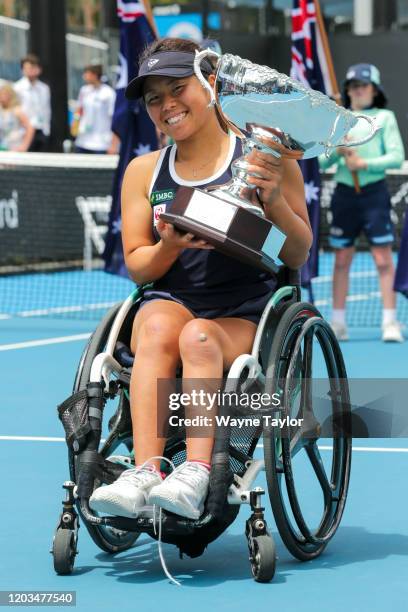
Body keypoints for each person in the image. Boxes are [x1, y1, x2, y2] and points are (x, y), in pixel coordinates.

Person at [89, 38, 312, 521]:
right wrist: (169, 245)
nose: (167, 105)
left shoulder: (267, 157)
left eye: (177, 88)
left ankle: (195, 472)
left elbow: (297, 251)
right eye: (154, 98)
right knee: (153, 326)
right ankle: (144, 470)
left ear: (210, 84)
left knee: (198, 337)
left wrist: (272, 204)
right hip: (174, 297)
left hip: (247, 311)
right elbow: (138, 266)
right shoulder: (143, 172)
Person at [319, 63, 405, 342]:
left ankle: (390, 322)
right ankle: (339, 323)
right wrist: (336, 150)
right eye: (353, 86)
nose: (358, 90)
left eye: (364, 85)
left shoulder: (385, 117)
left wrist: (365, 164)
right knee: (342, 259)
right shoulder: (338, 119)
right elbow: (321, 161)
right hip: (344, 195)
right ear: (347, 90)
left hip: (375, 195)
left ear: (374, 89)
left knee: (383, 258)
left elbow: (395, 156)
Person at [73, 64, 116, 154]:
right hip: (83, 140)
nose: (84, 76)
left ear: (95, 75)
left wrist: (113, 144)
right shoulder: (84, 90)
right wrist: (75, 123)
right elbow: (79, 109)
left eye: (87, 73)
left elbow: (113, 117)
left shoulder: (109, 93)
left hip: (101, 142)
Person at [14, 54, 51, 152]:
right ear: (22, 70)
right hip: (24, 132)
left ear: (39, 69)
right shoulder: (17, 88)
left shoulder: (44, 88)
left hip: (41, 130)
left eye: (33, 67)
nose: (31, 70)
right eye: (28, 68)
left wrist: (46, 129)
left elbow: (46, 110)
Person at [0, 82, 35, 151]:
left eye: (5, 94)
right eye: (1, 94)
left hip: (14, 146)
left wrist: (24, 146)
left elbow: (30, 128)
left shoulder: (17, 110)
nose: (2, 96)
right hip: (2, 146)